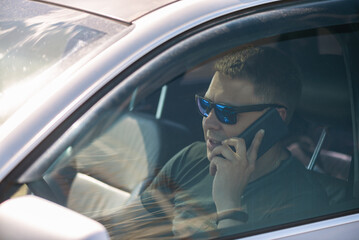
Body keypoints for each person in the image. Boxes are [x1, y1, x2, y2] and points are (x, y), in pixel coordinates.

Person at [99, 46, 328, 239]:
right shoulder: (193, 158)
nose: (209, 123)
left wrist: (229, 205)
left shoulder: (303, 202)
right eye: (206, 106)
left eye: (226, 113)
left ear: (275, 119)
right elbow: (123, 227)